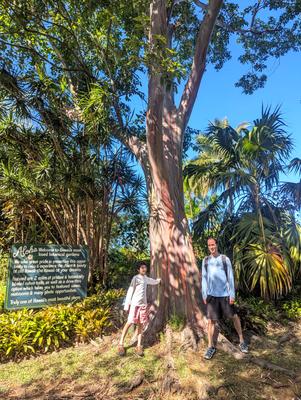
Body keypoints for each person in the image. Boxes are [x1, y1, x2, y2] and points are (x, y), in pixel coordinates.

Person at [202, 237, 249, 360]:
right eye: (209, 245)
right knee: (211, 321)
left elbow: (230, 277)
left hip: (225, 295)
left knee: (234, 316)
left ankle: (242, 341)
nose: (211, 247)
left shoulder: (224, 259)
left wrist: (232, 294)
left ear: (216, 245)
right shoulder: (205, 260)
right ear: (207, 247)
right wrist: (204, 294)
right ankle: (210, 346)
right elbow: (204, 278)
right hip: (212, 296)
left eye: (213, 244)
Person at [118, 262, 161, 357]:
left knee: (140, 324)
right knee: (129, 323)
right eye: (142, 268)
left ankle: (138, 345)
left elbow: (153, 281)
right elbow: (130, 290)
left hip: (143, 305)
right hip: (134, 305)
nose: (144, 269)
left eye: (145, 267)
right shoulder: (135, 278)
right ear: (138, 269)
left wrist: (158, 280)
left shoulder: (146, 278)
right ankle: (121, 344)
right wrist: (126, 305)